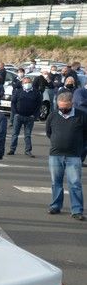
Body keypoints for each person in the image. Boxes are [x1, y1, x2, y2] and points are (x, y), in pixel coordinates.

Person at [45, 91, 86, 219]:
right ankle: (55, 206)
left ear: (72, 104)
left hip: (74, 155)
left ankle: (77, 210)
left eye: (65, 107)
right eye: (60, 107)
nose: (62, 110)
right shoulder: (53, 115)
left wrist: (79, 148)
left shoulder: (82, 116)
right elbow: (49, 132)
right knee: (56, 182)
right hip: (55, 155)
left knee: (75, 183)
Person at [8, 76, 41, 157]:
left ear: (31, 83)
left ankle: (28, 150)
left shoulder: (36, 93)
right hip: (18, 116)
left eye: (29, 82)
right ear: (22, 84)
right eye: (25, 83)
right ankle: (12, 149)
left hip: (30, 117)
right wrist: (15, 113)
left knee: (28, 135)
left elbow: (39, 105)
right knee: (15, 134)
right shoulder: (18, 91)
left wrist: (34, 116)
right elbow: (13, 103)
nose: (27, 84)